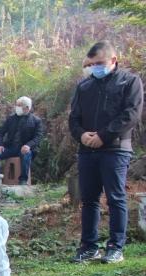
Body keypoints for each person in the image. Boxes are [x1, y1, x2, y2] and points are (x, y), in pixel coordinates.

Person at [68, 40, 144, 264]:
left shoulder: (129, 81)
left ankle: (115, 247)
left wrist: (104, 135)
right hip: (87, 150)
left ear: (113, 60)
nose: (95, 68)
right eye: (92, 64)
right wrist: (82, 135)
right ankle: (89, 247)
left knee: (115, 198)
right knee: (89, 199)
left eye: (100, 63)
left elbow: (131, 114)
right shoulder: (84, 86)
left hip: (115, 149)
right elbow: (73, 118)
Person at [0, 96, 45, 185]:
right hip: (10, 147)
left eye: (19, 105)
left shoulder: (36, 121)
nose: (16, 107)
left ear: (27, 108)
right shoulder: (11, 118)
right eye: (16, 105)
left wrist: (28, 145)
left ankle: (23, 181)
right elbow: (0, 132)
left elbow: (38, 137)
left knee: (26, 154)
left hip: (24, 148)